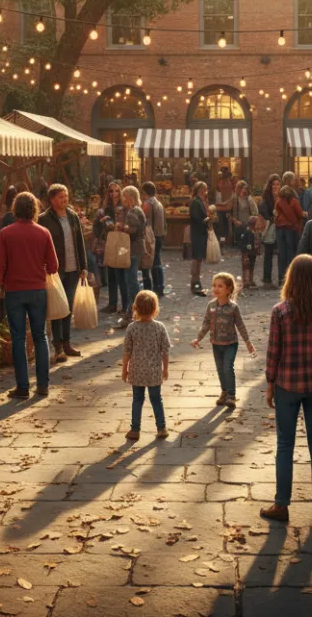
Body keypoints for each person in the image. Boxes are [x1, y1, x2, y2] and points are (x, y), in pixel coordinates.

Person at [262, 254, 312, 523]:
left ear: (291, 279)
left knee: (285, 445)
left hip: (287, 384)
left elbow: (274, 352)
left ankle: (281, 505)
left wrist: (270, 384)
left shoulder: (280, 311)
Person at [0, 192, 58, 399]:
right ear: (35, 209)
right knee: (40, 336)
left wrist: (4, 281)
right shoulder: (43, 233)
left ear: (15, 209)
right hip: (38, 290)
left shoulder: (5, 233)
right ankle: (43, 385)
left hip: (14, 291)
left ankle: (22, 387)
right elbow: (54, 265)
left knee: (19, 338)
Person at [191, 272, 256, 409]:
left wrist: (248, 342)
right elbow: (206, 323)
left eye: (220, 286)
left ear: (228, 289)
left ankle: (231, 396)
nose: (216, 288)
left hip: (231, 344)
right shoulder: (211, 305)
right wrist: (198, 338)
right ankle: (224, 392)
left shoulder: (233, 307)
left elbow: (240, 325)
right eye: (214, 285)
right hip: (216, 343)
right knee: (220, 369)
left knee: (228, 367)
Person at [40, 184, 87, 363]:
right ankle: (57, 346)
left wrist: (83, 266)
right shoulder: (44, 219)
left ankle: (67, 343)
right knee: (57, 307)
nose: (64, 200)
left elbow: (79, 242)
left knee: (67, 308)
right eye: (60, 197)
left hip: (73, 268)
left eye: (66, 196)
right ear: (52, 200)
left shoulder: (73, 216)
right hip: (56, 271)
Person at [121, 290, 170, 442]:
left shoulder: (132, 328)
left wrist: (124, 370)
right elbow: (165, 350)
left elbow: (127, 352)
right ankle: (161, 428)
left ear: (135, 307)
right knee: (156, 399)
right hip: (154, 372)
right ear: (156, 308)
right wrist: (165, 368)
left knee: (137, 400)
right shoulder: (159, 327)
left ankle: (135, 430)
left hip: (137, 372)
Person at [115, 186, 146, 328]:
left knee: (131, 282)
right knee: (132, 281)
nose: (122, 200)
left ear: (130, 197)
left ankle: (135, 313)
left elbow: (134, 230)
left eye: (123, 196)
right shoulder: (138, 210)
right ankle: (132, 313)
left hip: (132, 250)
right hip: (136, 249)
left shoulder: (133, 211)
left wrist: (122, 227)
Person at [97, 181, 129, 314]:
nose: (114, 194)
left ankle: (126, 305)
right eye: (111, 191)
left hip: (121, 241)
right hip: (110, 240)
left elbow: (126, 223)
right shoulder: (106, 207)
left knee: (121, 274)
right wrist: (103, 222)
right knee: (111, 273)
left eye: (116, 191)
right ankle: (112, 303)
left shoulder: (124, 206)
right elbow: (101, 224)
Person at [229, 179, 260, 289]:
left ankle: (251, 278)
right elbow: (231, 213)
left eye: (245, 188)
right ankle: (245, 279)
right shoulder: (235, 199)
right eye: (241, 188)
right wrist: (235, 221)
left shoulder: (249, 199)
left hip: (249, 227)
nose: (243, 191)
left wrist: (252, 222)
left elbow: (255, 212)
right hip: (240, 228)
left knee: (252, 254)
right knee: (244, 255)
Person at [274, 185, 305, 279]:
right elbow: (300, 214)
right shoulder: (294, 201)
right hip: (291, 229)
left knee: (281, 254)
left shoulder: (278, 202)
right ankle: (291, 277)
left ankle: (281, 278)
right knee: (291, 252)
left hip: (279, 229)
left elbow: (276, 214)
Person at [141, 182, 166, 296]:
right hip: (158, 235)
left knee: (150, 262)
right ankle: (159, 286)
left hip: (151, 236)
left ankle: (152, 287)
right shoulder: (158, 203)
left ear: (145, 192)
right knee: (157, 261)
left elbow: (143, 221)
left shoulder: (147, 203)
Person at [189, 181, 212, 296]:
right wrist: (208, 219)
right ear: (199, 190)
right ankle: (195, 284)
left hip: (201, 234)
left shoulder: (201, 202)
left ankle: (196, 283)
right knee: (196, 259)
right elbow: (196, 219)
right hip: (197, 234)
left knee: (198, 260)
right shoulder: (195, 202)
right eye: (204, 189)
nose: (205, 191)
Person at [259, 175, 281, 288]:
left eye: (277, 184)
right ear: (270, 185)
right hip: (269, 228)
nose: (275, 187)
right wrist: (272, 217)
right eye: (273, 184)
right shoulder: (266, 198)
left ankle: (282, 279)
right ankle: (267, 278)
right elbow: (264, 212)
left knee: (280, 253)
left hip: (281, 228)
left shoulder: (282, 197)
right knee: (268, 253)